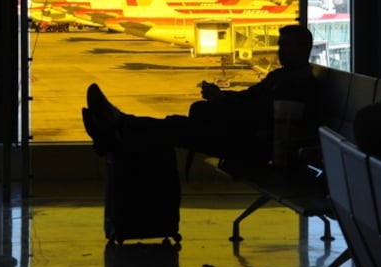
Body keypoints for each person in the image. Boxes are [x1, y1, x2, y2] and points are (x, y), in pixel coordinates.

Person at [82, 24, 319, 168]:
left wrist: (225, 102)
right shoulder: (282, 76)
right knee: (185, 119)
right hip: (244, 133)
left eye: (286, 45)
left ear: (303, 49)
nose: (279, 50)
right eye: (280, 45)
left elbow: (264, 115)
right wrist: (222, 96)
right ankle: (116, 128)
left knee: (175, 127)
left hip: (252, 144)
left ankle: (117, 126)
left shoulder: (298, 84)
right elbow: (250, 96)